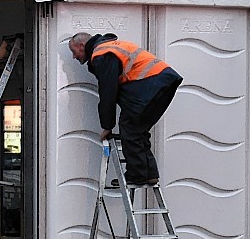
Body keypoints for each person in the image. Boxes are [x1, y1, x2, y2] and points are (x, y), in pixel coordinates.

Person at [67, 32, 182, 185]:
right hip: (163, 83)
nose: (74, 57)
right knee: (137, 129)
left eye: (73, 51)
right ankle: (149, 173)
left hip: (151, 85)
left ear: (82, 46)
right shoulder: (110, 46)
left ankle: (137, 175)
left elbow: (108, 92)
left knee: (129, 128)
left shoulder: (101, 54)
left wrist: (107, 126)